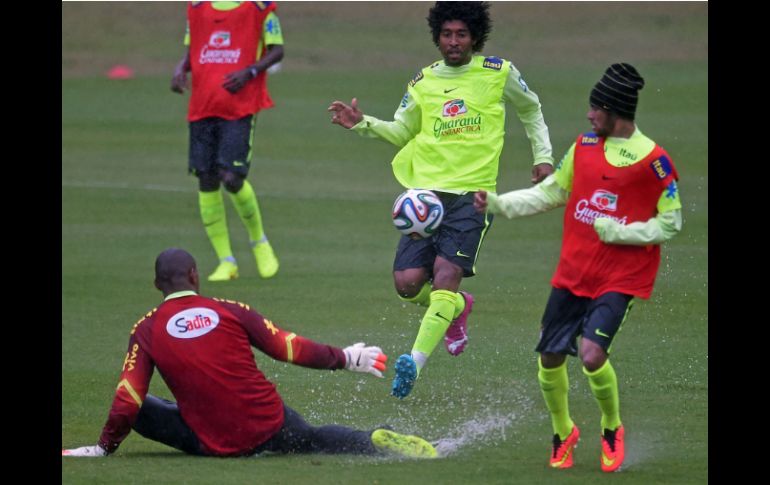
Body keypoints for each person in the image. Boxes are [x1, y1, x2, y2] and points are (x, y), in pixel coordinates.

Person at [328, 1, 554, 399]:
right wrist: (361, 123)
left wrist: (543, 158)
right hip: (425, 199)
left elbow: (532, 109)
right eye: (447, 35)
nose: (453, 42)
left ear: (475, 37)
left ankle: (413, 362)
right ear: (437, 37)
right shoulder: (423, 81)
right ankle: (455, 308)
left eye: (461, 34)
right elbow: (402, 131)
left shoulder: (498, 72)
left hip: (473, 196)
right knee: (407, 284)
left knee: (446, 276)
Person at [474, 63, 682, 472]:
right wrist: (499, 203)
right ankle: (563, 431)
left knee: (590, 354)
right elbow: (552, 193)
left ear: (616, 110)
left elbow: (671, 222)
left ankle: (611, 426)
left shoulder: (654, 161)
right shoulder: (584, 146)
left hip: (621, 277)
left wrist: (621, 231)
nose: (589, 115)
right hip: (574, 272)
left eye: (596, 108)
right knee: (550, 357)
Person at [61, 248, 437, 459]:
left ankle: (202, 429)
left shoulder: (146, 329)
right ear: (194, 276)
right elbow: (288, 347)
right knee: (314, 438)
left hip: (216, 443)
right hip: (269, 422)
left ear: (157, 284)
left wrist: (103, 447)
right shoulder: (230, 309)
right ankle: (372, 440)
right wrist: (347, 358)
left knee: (143, 408)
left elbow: (127, 398)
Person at [171, 1, 282, 282]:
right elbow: (192, 46)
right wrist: (180, 68)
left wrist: (250, 72)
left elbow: (278, 50)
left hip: (239, 107)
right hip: (202, 106)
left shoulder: (259, 8)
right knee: (206, 180)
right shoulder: (196, 7)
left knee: (231, 177)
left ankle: (259, 242)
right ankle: (226, 261)